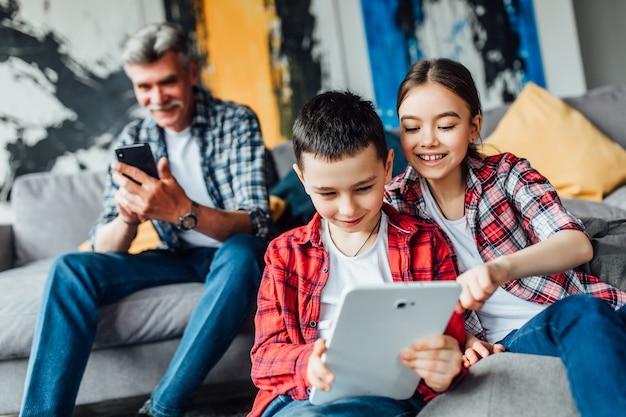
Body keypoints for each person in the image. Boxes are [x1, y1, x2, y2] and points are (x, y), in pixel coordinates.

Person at [19, 22, 270, 417]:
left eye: (167, 82)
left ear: (191, 73)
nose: (157, 98)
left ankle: (162, 409)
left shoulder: (235, 121)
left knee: (245, 251)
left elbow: (256, 222)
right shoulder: (134, 134)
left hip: (229, 256)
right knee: (70, 267)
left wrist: (181, 212)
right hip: (173, 256)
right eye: (144, 87)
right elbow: (106, 245)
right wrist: (127, 218)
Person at [384, 58, 626, 417]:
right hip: (511, 341)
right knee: (584, 316)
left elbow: (575, 242)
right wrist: (460, 341)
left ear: (473, 127)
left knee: (587, 311)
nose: (427, 141)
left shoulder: (507, 174)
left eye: (446, 125)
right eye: (411, 128)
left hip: (576, 309)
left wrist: (499, 270)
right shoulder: (394, 206)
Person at [249, 90, 467, 417]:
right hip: (299, 397)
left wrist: (444, 368)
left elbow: (450, 342)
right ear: (303, 179)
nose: (348, 208)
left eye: (363, 188)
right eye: (327, 193)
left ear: (388, 167)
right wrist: (308, 363)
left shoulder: (425, 242)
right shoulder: (284, 254)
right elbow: (263, 359)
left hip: (388, 398)